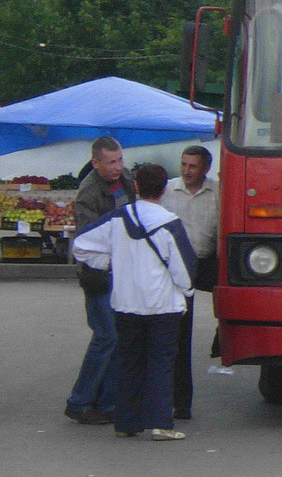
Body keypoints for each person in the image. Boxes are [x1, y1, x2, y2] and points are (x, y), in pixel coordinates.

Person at [73, 163, 196, 441]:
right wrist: (183, 290)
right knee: (161, 363)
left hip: (126, 304)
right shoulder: (170, 223)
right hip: (162, 306)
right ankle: (161, 424)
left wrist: (107, 263)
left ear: (136, 186)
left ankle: (125, 422)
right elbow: (184, 271)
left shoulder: (118, 218)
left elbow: (81, 244)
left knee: (129, 362)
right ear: (164, 189)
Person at [64, 136, 137, 425]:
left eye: (120, 159)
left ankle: (107, 403)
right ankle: (79, 401)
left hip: (123, 272)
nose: (118, 166)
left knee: (117, 338)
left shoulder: (126, 179)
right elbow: (86, 240)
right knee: (107, 337)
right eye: (111, 162)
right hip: (98, 275)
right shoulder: (89, 192)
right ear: (96, 163)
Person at [158, 146, 219, 421]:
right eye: (183, 165)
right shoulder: (167, 191)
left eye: (193, 166)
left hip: (207, 263)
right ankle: (180, 403)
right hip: (178, 266)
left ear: (206, 168)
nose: (187, 171)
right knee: (180, 336)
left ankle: (224, 339)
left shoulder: (218, 192)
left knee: (238, 301)